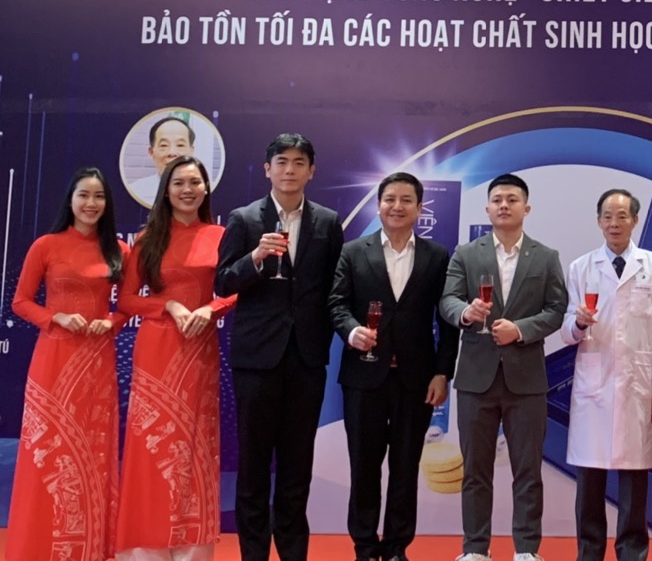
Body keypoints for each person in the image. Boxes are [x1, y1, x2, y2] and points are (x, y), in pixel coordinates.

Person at [214, 133, 345, 561]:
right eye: (282, 162)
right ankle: (253, 554)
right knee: (253, 465)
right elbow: (222, 283)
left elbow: (335, 290)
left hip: (306, 358)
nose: (290, 170)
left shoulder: (328, 222)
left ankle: (293, 554)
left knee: (296, 466)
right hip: (256, 359)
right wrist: (254, 258)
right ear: (267, 169)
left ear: (311, 171)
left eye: (299, 162)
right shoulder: (244, 218)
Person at [329, 172, 460, 561]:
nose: (397, 206)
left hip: (416, 379)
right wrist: (351, 330)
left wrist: (442, 372)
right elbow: (336, 303)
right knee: (364, 467)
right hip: (363, 375)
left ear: (420, 208)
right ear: (378, 205)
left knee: (406, 468)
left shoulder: (437, 256)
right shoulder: (354, 251)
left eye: (406, 200)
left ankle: (397, 546)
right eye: (389, 199)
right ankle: (365, 546)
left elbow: (448, 321)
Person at [439, 174, 568, 561]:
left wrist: (521, 330)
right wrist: (466, 313)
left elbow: (557, 310)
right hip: (475, 378)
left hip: (526, 380)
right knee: (475, 471)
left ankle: (526, 550)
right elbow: (447, 300)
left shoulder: (546, 256)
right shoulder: (466, 254)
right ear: (487, 208)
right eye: (497, 200)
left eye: (512, 199)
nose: (504, 205)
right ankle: (475, 549)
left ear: (526, 208)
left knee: (527, 471)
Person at [117, 156, 236, 561]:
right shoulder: (148, 239)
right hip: (156, 349)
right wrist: (167, 306)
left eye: (195, 182)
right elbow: (128, 299)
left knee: (194, 445)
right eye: (179, 183)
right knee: (152, 444)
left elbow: (237, 289)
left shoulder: (221, 235)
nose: (188, 190)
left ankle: (191, 548)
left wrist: (211, 309)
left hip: (199, 348)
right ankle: (146, 548)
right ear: (166, 190)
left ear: (206, 188)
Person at [8, 167, 127, 561]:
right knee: (48, 454)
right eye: (84, 195)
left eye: (99, 196)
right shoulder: (46, 245)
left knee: (93, 454)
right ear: (70, 200)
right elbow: (21, 302)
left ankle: (89, 547)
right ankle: (37, 546)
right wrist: (55, 317)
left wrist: (110, 321)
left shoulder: (119, 250)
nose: (91, 203)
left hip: (97, 363)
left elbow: (130, 305)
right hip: (53, 361)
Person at [560, 189, 652, 561]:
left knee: (634, 477)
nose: (614, 223)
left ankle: (632, 552)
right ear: (598, 221)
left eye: (622, 216)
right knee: (590, 479)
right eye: (607, 216)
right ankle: (589, 552)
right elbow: (566, 330)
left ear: (635, 220)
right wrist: (579, 323)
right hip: (593, 383)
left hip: (638, 384)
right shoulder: (581, 267)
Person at [131, 115, 196, 206]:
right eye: (164, 145)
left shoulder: (201, 191)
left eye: (180, 145)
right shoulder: (138, 190)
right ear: (151, 152)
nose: (172, 153)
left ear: (191, 151)